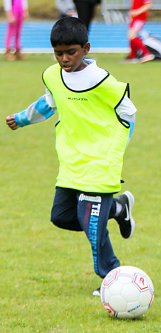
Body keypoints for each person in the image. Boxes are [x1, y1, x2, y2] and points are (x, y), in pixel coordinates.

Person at [5, 17, 137, 295]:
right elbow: (50, 102)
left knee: (90, 220)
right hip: (71, 161)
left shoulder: (103, 81)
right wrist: (21, 118)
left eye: (71, 52)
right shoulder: (52, 75)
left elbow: (129, 112)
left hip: (100, 162)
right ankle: (117, 209)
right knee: (62, 216)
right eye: (59, 53)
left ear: (86, 48)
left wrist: (116, 149)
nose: (64, 58)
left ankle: (112, 277)